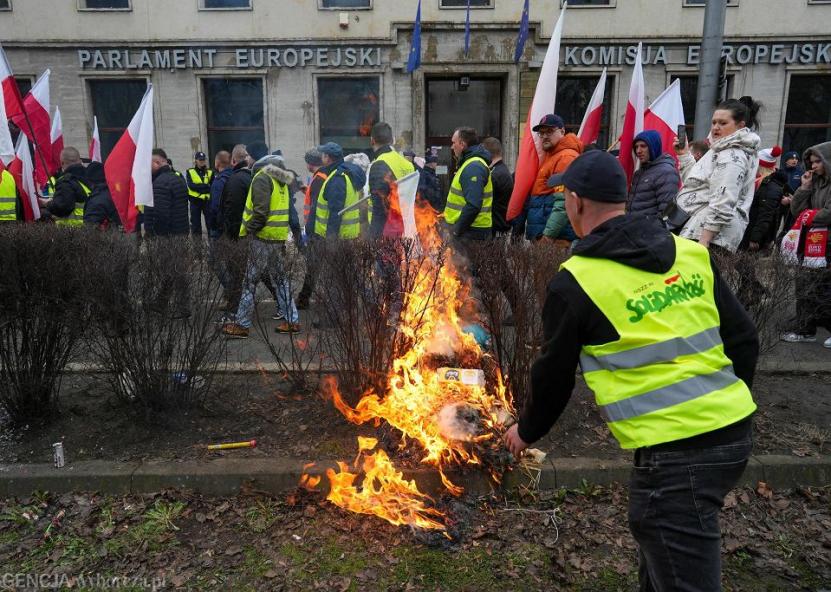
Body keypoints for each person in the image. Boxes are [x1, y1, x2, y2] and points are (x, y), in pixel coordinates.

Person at [504, 149, 759, 592]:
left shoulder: (578, 279)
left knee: (680, 569)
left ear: (576, 202)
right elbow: (744, 338)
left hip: (676, 453)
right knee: (662, 555)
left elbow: (554, 375)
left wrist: (525, 432)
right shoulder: (690, 253)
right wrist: (723, 408)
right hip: (733, 432)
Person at [222, 153, 302, 338]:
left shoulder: (262, 178)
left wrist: (249, 231)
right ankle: (292, 320)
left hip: (262, 237)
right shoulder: (280, 181)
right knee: (281, 281)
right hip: (276, 236)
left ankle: (242, 324)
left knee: (249, 282)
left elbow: (260, 211)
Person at [673, 97, 762, 253]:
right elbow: (696, 184)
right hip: (698, 230)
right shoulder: (721, 149)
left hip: (708, 237)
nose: (715, 127)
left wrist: (704, 241)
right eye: (714, 122)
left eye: (723, 123)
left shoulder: (732, 155)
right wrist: (684, 155)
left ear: (740, 126)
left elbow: (723, 200)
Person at [780, 141, 831, 348]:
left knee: (824, 288)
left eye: (818, 161)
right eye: (811, 162)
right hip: (811, 242)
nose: (813, 166)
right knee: (804, 286)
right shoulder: (815, 182)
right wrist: (805, 187)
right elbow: (795, 210)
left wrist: (809, 216)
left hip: (827, 243)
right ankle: (805, 329)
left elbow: (827, 214)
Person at [519, 114, 583, 240]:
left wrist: (547, 236)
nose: (544, 136)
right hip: (548, 235)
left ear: (562, 131)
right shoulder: (552, 155)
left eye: (549, 131)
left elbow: (563, 202)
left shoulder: (565, 158)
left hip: (555, 239)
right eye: (541, 133)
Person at [368, 122, 416, 239]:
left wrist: (373, 239)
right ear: (392, 140)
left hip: (387, 233)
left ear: (372, 140)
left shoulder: (379, 164)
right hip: (406, 228)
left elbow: (379, 208)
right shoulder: (407, 164)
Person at [443, 127, 492, 241]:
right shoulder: (470, 164)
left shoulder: (473, 166)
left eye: (453, 143)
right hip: (469, 231)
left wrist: (456, 230)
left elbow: (473, 205)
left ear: (462, 144)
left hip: (470, 233)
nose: (452, 147)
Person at [297, 148, 330, 310]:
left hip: (317, 231)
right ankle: (304, 297)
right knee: (314, 267)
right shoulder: (320, 177)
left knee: (314, 267)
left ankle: (304, 299)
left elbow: (316, 207)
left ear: (310, 163)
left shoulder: (318, 180)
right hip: (319, 229)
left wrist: (308, 230)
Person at [739, 146, 788, 252]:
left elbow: (765, 215)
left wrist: (755, 238)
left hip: (755, 236)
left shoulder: (769, 186)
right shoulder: (759, 181)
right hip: (749, 230)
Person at [314, 142, 366, 240]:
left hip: (339, 239)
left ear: (328, 158)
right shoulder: (344, 173)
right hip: (347, 236)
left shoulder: (337, 178)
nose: (321, 158)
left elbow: (335, 213)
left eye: (323, 155)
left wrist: (331, 242)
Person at [627, 129, 681, 219]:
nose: (638, 151)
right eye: (636, 147)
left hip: (649, 231)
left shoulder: (666, 172)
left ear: (654, 146)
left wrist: (651, 231)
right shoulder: (639, 173)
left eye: (643, 146)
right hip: (633, 229)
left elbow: (666, 212)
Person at [39, 147, 91, 227]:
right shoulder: (90, 176)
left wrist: (48, 204)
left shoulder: (66, 181)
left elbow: (62, 208)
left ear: (62, 163)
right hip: (88, 227)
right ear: (80, 161)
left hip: (72, 230)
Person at [145, 149, 189, 237]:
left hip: (168, 238)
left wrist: (157, 236)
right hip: (181, 232)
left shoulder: (160, 182)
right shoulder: (178, 178)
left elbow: (161, 215)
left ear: (157, 163)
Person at [481, 137, 513, 237]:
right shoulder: (501, 170)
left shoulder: (495, 174)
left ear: (487, 154)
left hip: (496, 227)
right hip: (500, 225)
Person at [83, 161, 121, 230]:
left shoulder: (96, 201)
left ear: (89, 180)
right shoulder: (114, 193)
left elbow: (89, 231)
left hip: (106, 239)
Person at [185, 151, 214, 238]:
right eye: (200, 160)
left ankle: (213, 248)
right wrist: (206, 186)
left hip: (207, 201)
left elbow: (212, 187)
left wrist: (200, 187)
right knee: (196, 227)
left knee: (210, 225)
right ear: (196, 161)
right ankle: (198, 249)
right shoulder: (190, 171)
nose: (202, 161)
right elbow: (191, 186)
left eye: (203, 160)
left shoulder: (210, 172)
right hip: (195, 201)